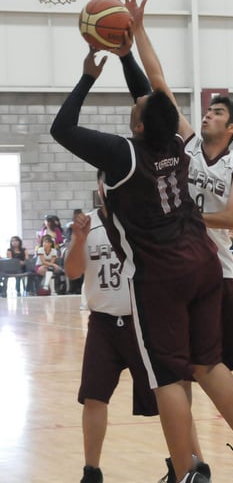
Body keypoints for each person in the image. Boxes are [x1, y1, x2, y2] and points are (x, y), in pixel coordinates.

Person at [49, 0, 233, 483]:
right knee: (210, 362)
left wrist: (87, 77)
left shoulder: (121, 154)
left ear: (134, 123)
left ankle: (189, 469)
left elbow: (62, 129)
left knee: (168, 374)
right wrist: (127, 50)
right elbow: (148, 95)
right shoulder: (176, 141)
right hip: (203, 261)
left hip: (161, 274)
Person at [64, 172, 158, 483]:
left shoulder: (145, 219)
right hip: (103, 324)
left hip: (143, 322)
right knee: (93, 396)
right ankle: (91, 471)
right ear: (100, 185)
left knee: (168, 396)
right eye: (108, 180)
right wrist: (78, 240)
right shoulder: (86, 224)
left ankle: (184, 462)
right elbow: (73, 271)